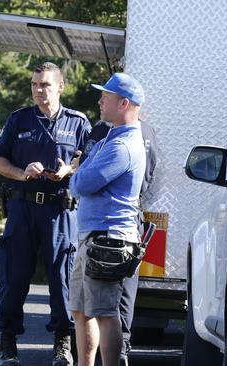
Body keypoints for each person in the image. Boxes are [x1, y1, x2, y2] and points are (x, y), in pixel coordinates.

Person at [0, 62, 92, 366]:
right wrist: (21, 173)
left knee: (62, 278)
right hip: (22, 207)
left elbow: (88, 159)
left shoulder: (77, 122)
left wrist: (69, 169)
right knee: (14, 276)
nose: (38, 90)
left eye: (44, 84)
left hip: (59, 210)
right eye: (34, 85)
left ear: (60, 86)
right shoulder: (19, 120)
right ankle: (7, 343)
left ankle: (63, 343)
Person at [69, 73, 146, 366]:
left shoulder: (121, 146)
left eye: (107, 96)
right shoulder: (112, 137)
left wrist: (77, 173)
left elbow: (81, 184)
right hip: (94, 238)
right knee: (81, 309)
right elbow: (82, 176)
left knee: (104, 311)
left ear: (123, 103)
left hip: (107, 239)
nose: (100, 100)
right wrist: (80, 172)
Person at [79, 117, 158, 366]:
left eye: (106, 98)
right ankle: (121, 346)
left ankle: (115, 351)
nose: (101, 103)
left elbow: (86, 175)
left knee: (101, 297)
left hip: (107, 224)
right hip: (131, 215)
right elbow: (151, 172)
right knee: (123, 288)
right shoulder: (146, 131)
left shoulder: (106, 131)